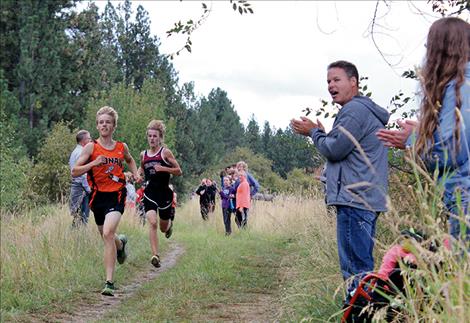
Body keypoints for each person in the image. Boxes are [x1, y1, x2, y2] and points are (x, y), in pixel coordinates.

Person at [291, 60, 390, 299]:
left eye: (336, 80)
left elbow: (335, 149)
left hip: (354, 201)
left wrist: (314, 132)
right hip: (365, 200)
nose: (330, 86)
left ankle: (360, 314)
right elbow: (342, 146)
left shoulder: (354, 111)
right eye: (328, 81)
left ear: (353, 82)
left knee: (356, 273)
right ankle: (366, 313)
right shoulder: (363, 111)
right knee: (362, 268)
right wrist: (322, 134)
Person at [377, 17, 470, 244]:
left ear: (442, 50)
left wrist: (413, 139)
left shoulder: (459, 87)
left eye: (430, 46)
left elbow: (451, 150)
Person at [72, 106, 141, 296]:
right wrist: (94, 163)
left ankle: (109, 283)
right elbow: (75, 171)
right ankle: (121, 244)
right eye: (101, 122)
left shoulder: (121, 147)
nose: (104, 125)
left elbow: (130, 159)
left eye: (108, 122)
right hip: (97, 197)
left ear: (113, 126)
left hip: (117, 195)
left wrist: (135, 174)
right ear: (97, 125)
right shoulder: (91, 147)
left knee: (108, 233)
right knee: (107, 235)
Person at [139, 120, 182, 268]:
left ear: (160, 137)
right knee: (152, 222)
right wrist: (137, 175)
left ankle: (169, 225)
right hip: (150, 192)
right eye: (150, 136)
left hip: (164, 193)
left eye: (155, 136)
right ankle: (155, 255)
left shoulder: (165, 153)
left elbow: (178, 171)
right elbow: (142, 169)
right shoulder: (143, 155)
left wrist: (164, 169)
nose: (152, 139)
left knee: (163, 228)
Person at [69, 130, 92, 226]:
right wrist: (88, 189)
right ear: (84, 141)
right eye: (89, 138)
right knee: (83, 216)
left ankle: (76, 236)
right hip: (81, 188)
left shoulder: (76, 151)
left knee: (78, 216)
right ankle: (79, 237)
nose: (91, 140)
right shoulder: (81, 152)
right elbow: (83, 174)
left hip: (77, 186)